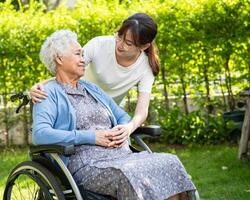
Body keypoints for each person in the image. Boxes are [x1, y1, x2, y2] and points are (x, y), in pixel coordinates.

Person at [32, 29, 196, 200]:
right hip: (86, 163)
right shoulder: (47, 94)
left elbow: (122, 116)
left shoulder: (91, 89)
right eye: (78, 54)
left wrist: (123, 129)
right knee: (129, 174)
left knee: (170, 162)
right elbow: (40, 134)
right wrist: (92, 137)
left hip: (120, 155)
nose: (83, 60)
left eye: (83, 55)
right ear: (59, 58)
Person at [30, 13, 160, 142]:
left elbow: (141, 111)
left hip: (107, 110)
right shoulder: (99, 45)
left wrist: (128, 127)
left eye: (128, 43)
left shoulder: (145, 67)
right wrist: (40, 85)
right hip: (75, 106)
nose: (120, 44)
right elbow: (67, 69)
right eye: (119, 36)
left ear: (144, 46)